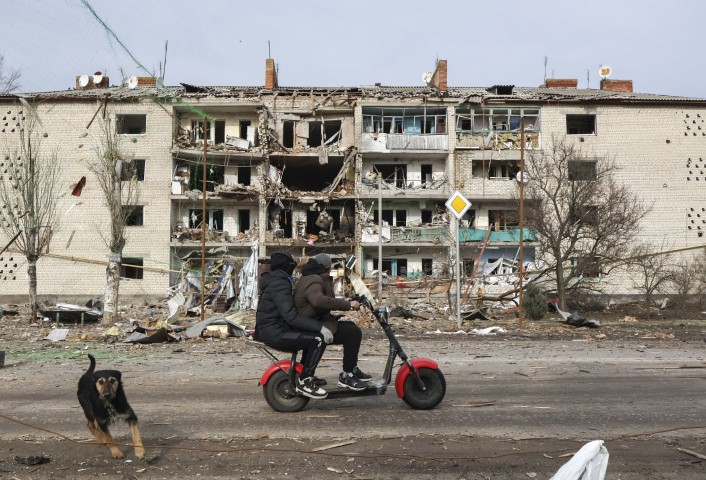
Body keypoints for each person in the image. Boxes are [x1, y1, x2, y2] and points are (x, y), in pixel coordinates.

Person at [254, 251, 332, 399]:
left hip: (272, 328)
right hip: (275, 332)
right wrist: (320, 327)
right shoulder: (280, 284)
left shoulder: (274, 280)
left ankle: (305, 374)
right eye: (291, 266)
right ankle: (305, 381)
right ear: (286, 267)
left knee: (312, 336)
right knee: (317, 339)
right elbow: (290, 316)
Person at [293, 253, 372, 391]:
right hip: (311, 324)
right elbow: (318, 301)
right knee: (353, 333)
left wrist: (344, 301)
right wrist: (347, 305)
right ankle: (347, 374)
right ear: (328, 268)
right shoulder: (314, 279)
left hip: (311, 320)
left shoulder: (312, 276)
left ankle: (350, 369)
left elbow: (323, 300)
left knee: (350, 326)